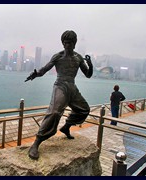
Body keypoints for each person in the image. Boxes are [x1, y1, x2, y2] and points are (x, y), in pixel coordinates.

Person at [25, 30, 93, 160]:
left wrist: (90, 65)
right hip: (60, 86)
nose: (67, 45)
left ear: (74, 43)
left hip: (72, 87)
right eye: (65, 43)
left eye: (70, 43)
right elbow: (44, 69)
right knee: (54, 112)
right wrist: (35, 74)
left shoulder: (78, 58)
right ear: (62, 43)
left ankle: (66, 127)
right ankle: (36, 143)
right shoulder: (58, 56)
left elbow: (88, 75)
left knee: (84, 109)